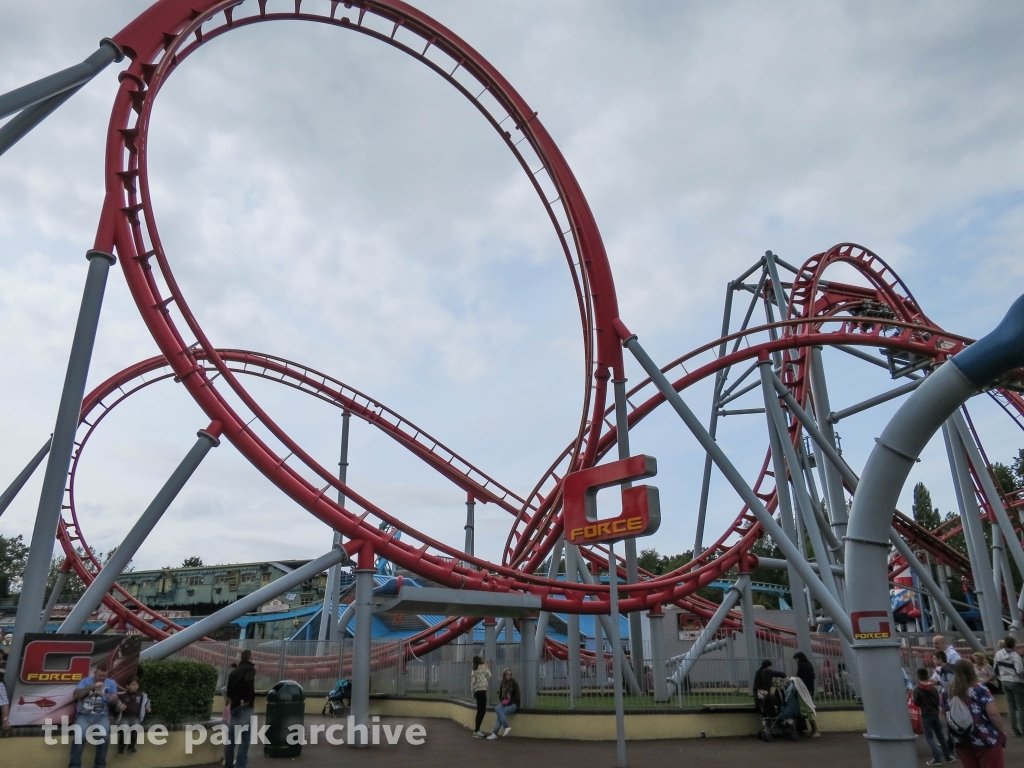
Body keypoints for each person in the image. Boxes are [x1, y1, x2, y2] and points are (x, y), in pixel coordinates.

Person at [941, 659, 1006, 767]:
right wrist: (1001, 732)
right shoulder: (980, 689)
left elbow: (944, 712)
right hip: (985, 737)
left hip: (961, 738)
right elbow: (993, 713)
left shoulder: (947, 690)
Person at [69, 662, 120, 768]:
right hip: (84, 715)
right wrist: (92, 687)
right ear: (95, 673)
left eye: (104, 676)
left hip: (102, 716)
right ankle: (74, 765)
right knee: (79, 737)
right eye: (100, 675)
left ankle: (100, 765)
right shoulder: (85, 681)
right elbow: (75, 695)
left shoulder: (111, 683)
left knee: (104, 737)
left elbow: (115, 701)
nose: (102, 678)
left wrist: (112, 697)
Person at [915, 667, 954, 765]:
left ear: (918, 677)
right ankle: (948, 757)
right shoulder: (933, 689)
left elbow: (916, 702)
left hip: (925, 714)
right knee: (940, 736)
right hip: (935, 714)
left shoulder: (918, 690)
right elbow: (937, 701)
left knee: (929, 737)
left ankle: (937, 758)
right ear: (928, 676)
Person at [225, 649, 257, 768]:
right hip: (245, 707)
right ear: (250, 657)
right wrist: (247, 700)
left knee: (231, 738)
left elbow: (229, 691)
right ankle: (240, 764)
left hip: (234, 706)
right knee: (245, 738)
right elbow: (248, 684)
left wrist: (234, 700)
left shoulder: (234, 672)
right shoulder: (250, 669)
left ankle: (228, 764)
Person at [994, 636, 1024, 737]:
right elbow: (1020, 670)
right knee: (1020, 707)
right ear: (1014, 644)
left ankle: (1015, 729)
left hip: (1004, 681)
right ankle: (1023, 729)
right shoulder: (1015, 656)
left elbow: (996, 667)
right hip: (1016, 682)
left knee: (1011, 706)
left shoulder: (998, 654)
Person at [114, 676, 150, 755]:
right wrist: (120, 707)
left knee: (136, 728)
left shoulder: (141, 695)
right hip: (125, 717)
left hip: (135, 717)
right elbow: (117, 707)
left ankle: (131, 746)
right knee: (124, 728)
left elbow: (147, 701)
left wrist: (147, 706)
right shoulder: (122, 696)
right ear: (127, 686)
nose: (135, 686)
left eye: (137, 684)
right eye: (133, 685)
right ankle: (121, 747)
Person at [487, 668, 520, 740]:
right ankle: (506, 727)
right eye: (507, 674)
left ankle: (495, 733)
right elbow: (500, 696)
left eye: (510, 674)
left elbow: (517, 697)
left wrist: (509, 702)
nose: (508, 676)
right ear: (504, 675)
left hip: (514, 704)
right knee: (497, 708)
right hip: (505, 703)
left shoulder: (514, 683)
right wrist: (502, 701)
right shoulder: (503, 683)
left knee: (501, 713)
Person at [471, 655, 491, 738]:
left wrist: (472, 692)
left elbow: (472, 682)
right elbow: (489, 675)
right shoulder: (483, 666)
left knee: (479, 711)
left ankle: (477, 730)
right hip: (482, 690)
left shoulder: (474, 669)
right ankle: (477, 731)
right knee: (482, 711)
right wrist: (487, 667)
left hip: (476, 691)